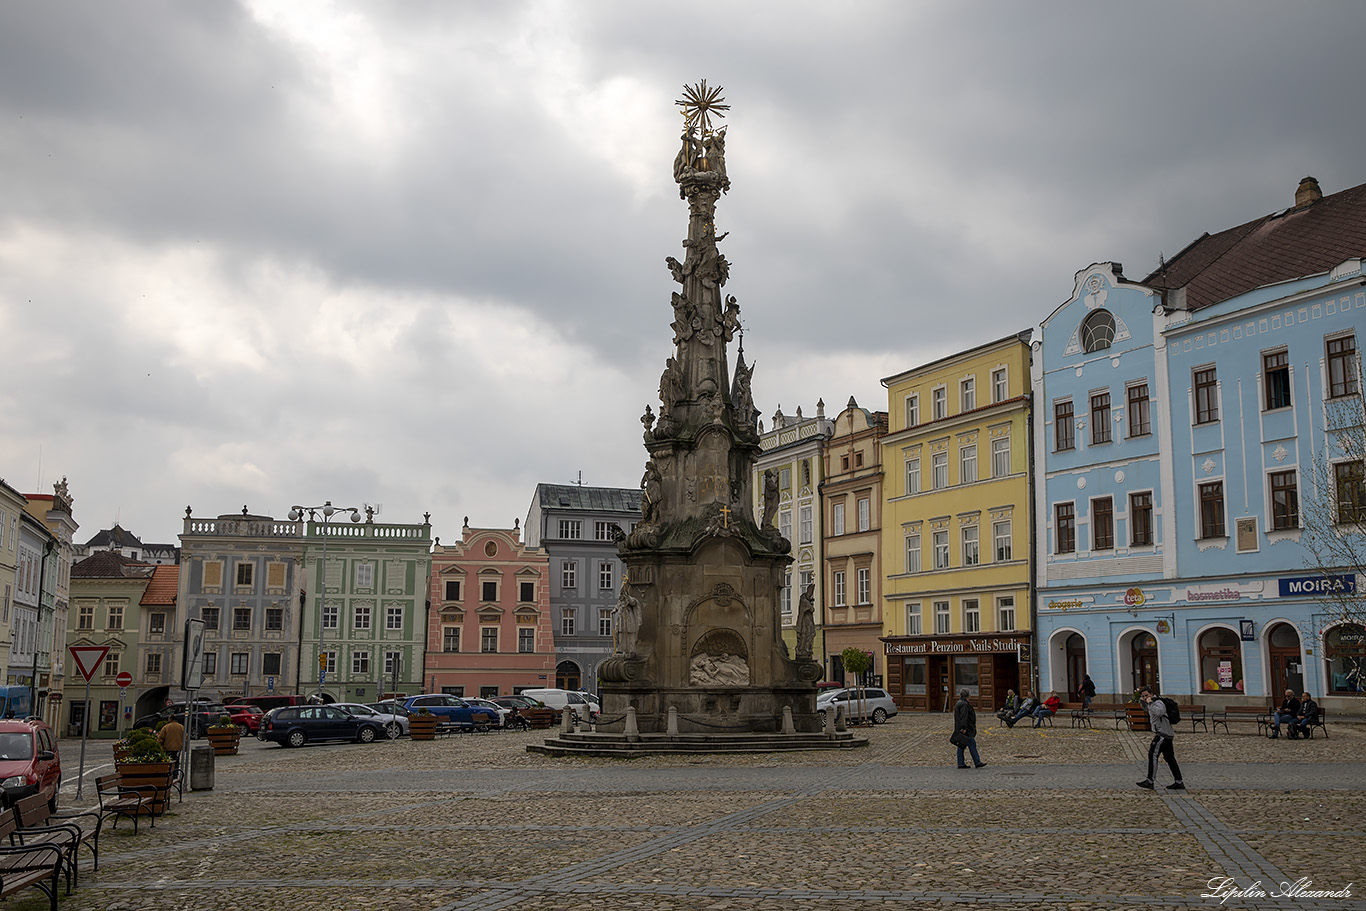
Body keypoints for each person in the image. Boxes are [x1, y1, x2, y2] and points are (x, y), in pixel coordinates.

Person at [1135, 687, 1184, 791]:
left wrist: (1150, 703)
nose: (1145, 697)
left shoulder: (1158, 703)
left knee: (1152, 755)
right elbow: (1146, 709)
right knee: (1169, 758)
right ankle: (1179, 782)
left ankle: (1150, 780)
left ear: (1151, 694)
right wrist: (1142, 701)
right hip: (1165, 733)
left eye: (1147, 695)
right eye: (1143, 696)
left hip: (1162, 734)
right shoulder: (1151, 703)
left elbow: (1158, 712)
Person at [953, 689, 986, 769]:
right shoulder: (964, 704)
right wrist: (964, 728)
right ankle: (977, 762)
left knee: (961, 745)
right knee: (972, 744)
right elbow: (964, 717)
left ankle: (961, 763)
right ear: (968, 695)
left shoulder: (959, 703)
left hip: (960, 728)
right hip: (966, 729)